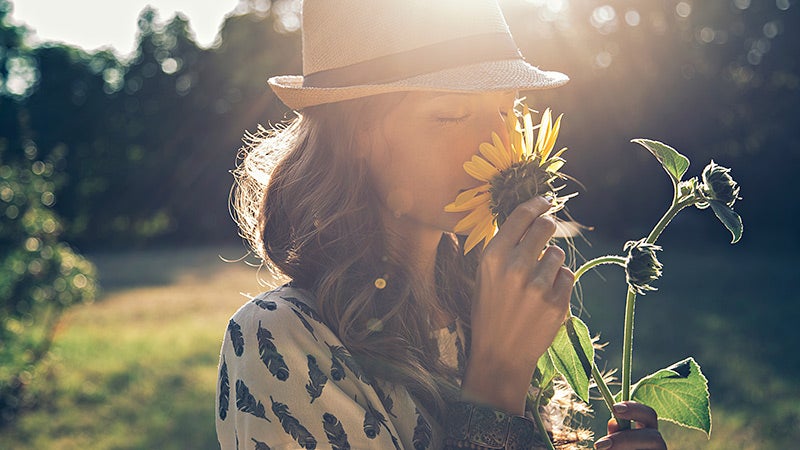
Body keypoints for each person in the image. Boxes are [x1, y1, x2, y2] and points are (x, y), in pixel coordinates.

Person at [216, 1, 668, 449]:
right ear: (355, 134)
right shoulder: (280, 339)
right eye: (451, 115)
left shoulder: (484, 301)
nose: (501, 142)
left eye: (508, 111)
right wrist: (499, 373)